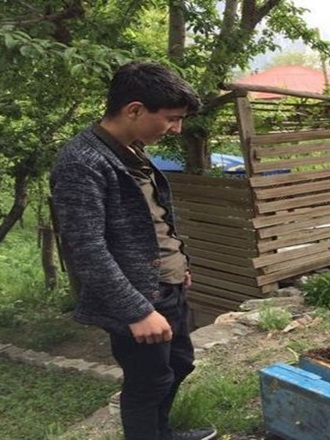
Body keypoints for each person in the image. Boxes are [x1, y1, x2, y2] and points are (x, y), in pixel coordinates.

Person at [50, 61, 217, 440]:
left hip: (166, 286)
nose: (177, 128)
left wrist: (179, 262)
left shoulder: (131, 149)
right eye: (172, 119)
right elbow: (86, 248)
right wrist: (137, 311)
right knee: (148, 382)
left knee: (180, 363)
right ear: (135, 110)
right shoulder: (83, 162)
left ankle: (161, 434)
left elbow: (152, 218)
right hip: (138, 299)